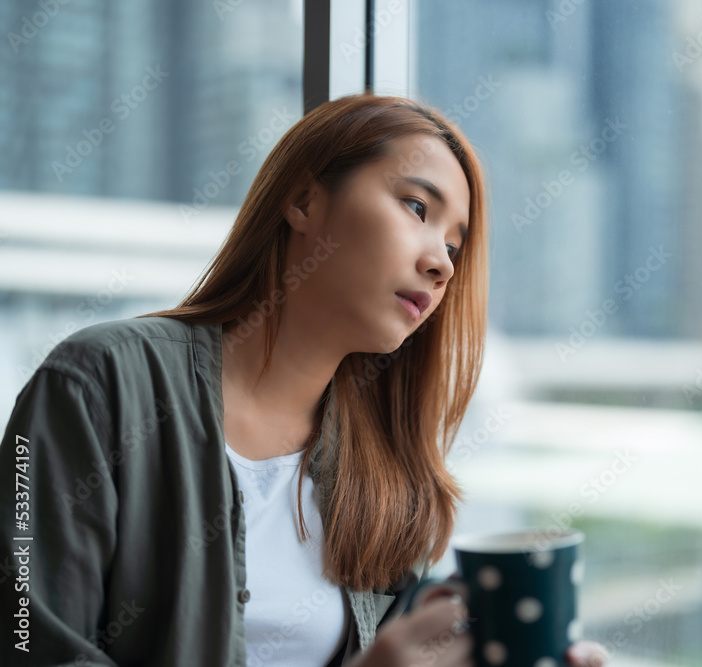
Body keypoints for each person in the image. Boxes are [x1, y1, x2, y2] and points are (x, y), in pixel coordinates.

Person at [0, 93, 609, 667]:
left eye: (455, 246)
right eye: (417, 208)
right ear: (303, 201)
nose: (442, 263)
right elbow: (26, 646)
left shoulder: (389, 479)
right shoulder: (96, 384)